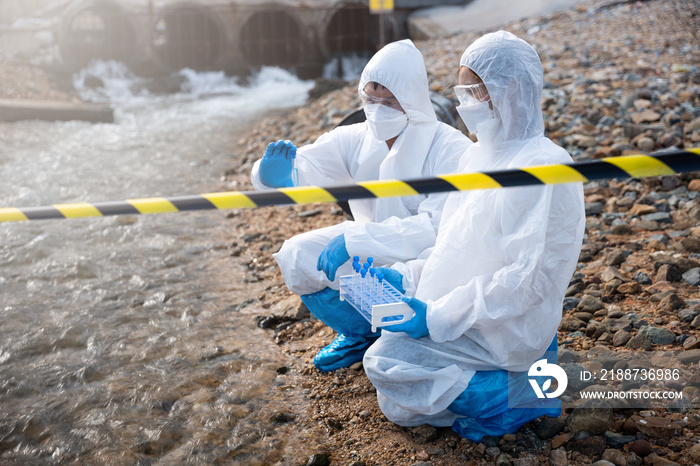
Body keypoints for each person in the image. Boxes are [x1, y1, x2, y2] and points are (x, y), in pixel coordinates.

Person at [363, 31, 586, 441]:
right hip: (463, 306)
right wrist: (408, 277)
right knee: (396, 400)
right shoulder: (475, 155)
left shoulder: (543, 166)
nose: (463, 104)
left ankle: (524, 390)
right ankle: (502, 385)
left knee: (386, 363)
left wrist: (435, 316)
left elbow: (528, 281)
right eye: (461, 91)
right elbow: (452, 241)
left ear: (510, 89)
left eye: (472, 92)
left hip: (506, 323)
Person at [250, 39, 471, 372]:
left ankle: (404, 331)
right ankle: (359, 334)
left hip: (427, 259)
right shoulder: (356, 137)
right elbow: (308, 166)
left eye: (390, 100)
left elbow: (440, 227)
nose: (378, 107)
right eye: (371, 97)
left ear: (411, 98)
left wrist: (357, 241)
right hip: (369, 247)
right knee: (298, 254)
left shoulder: (449, 146)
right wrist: (274, 175)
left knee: (407, 349)